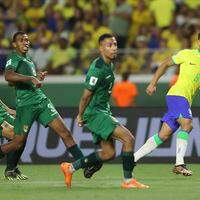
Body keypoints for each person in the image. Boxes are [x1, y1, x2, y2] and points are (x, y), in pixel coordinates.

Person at [0, 31, 98, 178]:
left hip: (41, 101)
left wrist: (37, 76)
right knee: (17, 142)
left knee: (65, 133)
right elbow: (8, 75)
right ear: (14, 44)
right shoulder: (14, 57)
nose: (26, 42)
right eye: (21, 40)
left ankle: (83, 164)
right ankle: (10, 168)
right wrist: (32, 78)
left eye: (27, 40)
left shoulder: (28, 60)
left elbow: (24, 80)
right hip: (26, 105)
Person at [60, 33, 149, 189]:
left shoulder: (110, 65)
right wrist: (80, 115)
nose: (114, 48)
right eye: (110, 45)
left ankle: (70, 167)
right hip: (95, 113)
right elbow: (85, 96)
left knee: (108, 154)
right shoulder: (98, 69)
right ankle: (128, 181)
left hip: (102, 111)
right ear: (101, 48)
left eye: (115, 44)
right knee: (128, 139)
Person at [134, 33, 200, 176]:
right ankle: (179, 164)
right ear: (198, 42)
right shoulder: (187, 54)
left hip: (183, 99)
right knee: (187, 124)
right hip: (177, 95)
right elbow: (164, 63)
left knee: (162, 135)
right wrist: (153, 83)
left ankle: (132, 159)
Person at [0, 99, 28, 180]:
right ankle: (10, 170)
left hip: (3, 114)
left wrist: (8, 109)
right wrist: (3, 123)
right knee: (14, 133)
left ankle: (12, 168)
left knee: (23, 130)